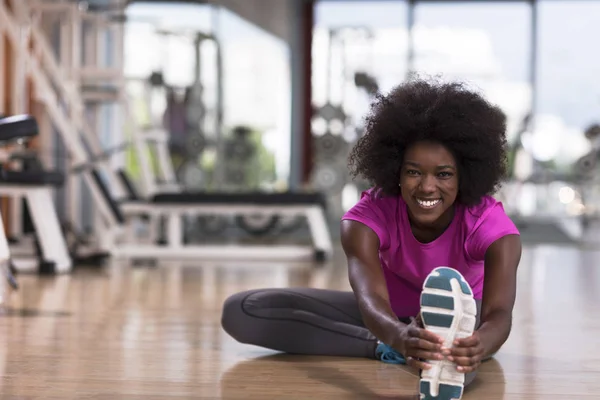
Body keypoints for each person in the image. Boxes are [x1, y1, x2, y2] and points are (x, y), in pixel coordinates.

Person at [220, 78, 522, 400]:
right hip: (388, 316)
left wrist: (481, 345)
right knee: (242, 311)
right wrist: (397, 335)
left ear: (465, 176)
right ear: (396, 171)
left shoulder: (490, 226)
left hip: (463, 318)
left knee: (458, 341)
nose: (427, 187)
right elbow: (370, 300)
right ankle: (390, 350)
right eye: (414, 172)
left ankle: (446, 357)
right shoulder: (366, 218)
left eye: (443, 174)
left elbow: (499, 314)